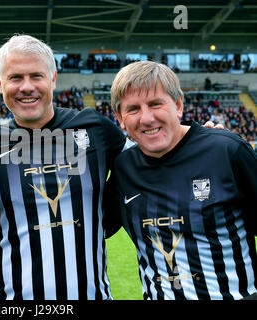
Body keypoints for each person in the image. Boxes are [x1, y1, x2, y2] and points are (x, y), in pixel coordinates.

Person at [0, 34, 126, 300]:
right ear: (0, 83)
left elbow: (144, 169)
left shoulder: (95, 129)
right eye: (15, 78)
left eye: (36, 76)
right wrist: (16, 240)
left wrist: (203, 140)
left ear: (53, 78)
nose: (27, 87)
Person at [109, 60, 257, 299]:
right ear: (120, 117)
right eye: (133, 109)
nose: (146, 118)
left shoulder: (227, 151)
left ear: (178, 105)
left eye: (156, 104)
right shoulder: (123, 168)